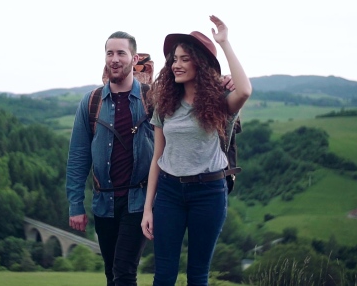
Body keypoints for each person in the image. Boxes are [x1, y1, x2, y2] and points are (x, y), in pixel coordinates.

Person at [141, 15, 252, 286]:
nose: (176, 65)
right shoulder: (165, 103)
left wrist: (224, 43)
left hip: (209, 193)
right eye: (174, 59)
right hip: (168, 193)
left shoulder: (220, 103)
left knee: (198, 274)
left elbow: (246, 90)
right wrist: (148, 208)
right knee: (164, 274)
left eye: (184, 59)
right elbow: (157, 157)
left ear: (200, 63)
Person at [66, 31, 154, 286]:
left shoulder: (152, 99)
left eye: (121, 53)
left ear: (133, 58)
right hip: (104, 200)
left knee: (124, 273)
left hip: (138, 201)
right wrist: (76, 205)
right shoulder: (91, 101)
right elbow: (78, 156)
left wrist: (223, 82)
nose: (114, 59)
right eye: (110, 53)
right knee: (111, 274)